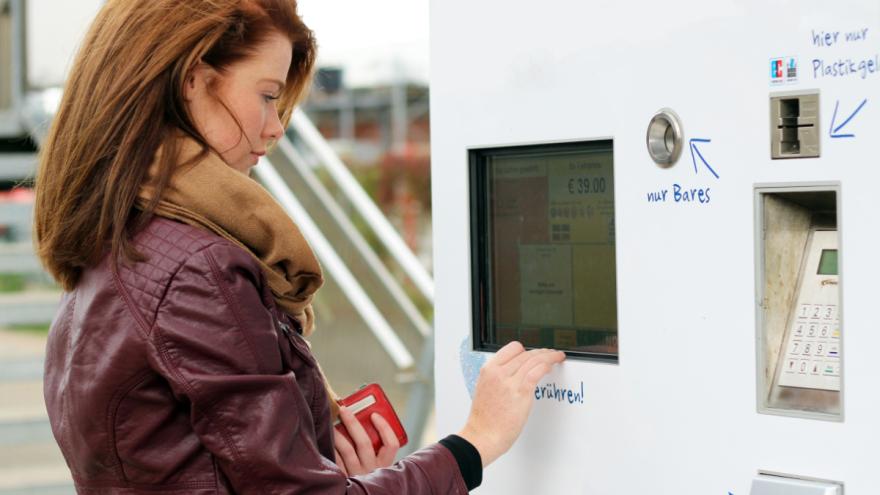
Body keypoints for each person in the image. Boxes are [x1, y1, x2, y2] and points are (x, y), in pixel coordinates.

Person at [33, 0, 566, 493]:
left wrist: (330, 466)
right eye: (267, 95)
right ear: (193, 80)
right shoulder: (198, 269)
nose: (277, 126)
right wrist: (475, 442)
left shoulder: (116, 243)